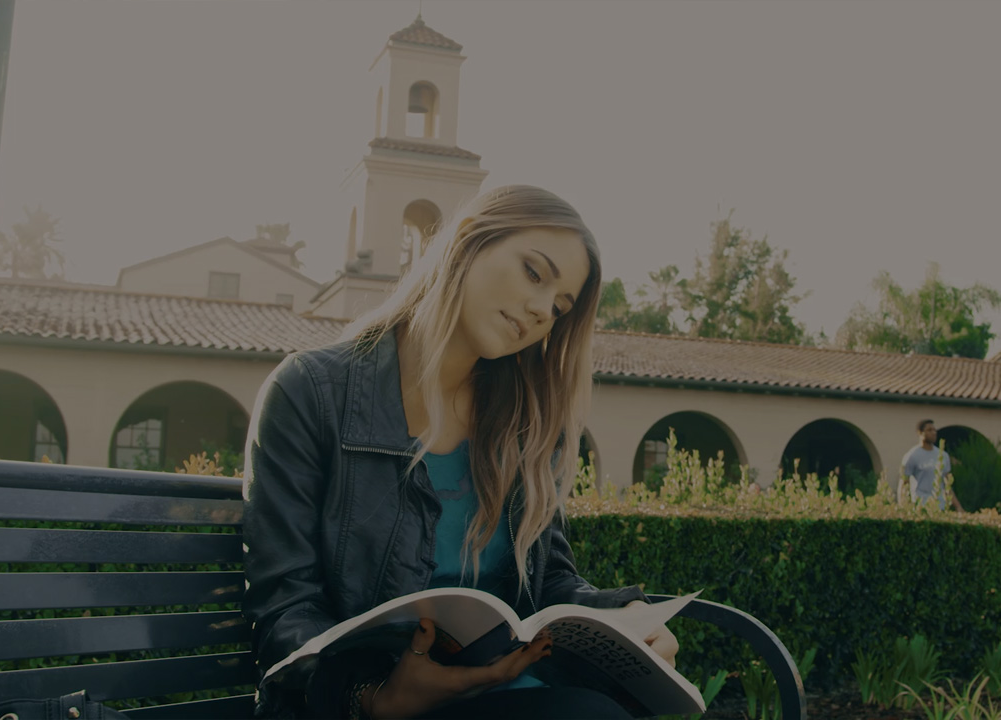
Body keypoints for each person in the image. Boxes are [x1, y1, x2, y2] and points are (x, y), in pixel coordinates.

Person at [242, 185, 679, 719]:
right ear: (469, 240)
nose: (543, 309)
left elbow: (552, 585)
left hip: (507, 692)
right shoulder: (311, 393)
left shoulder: (526, 424)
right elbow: (286, 609)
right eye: (534, 273)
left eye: (560, 307)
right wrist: (372, 698)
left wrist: (625, 619)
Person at [899, 419, 964, 511]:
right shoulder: (912, 456)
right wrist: (903, 506)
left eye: (934, 430)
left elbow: (947, 484)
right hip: (920, 506)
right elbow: (904, 483)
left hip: (940, 506)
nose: (933, 433)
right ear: (920, 433)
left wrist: (958, 507)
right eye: (929, 430)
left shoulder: (943, 455)